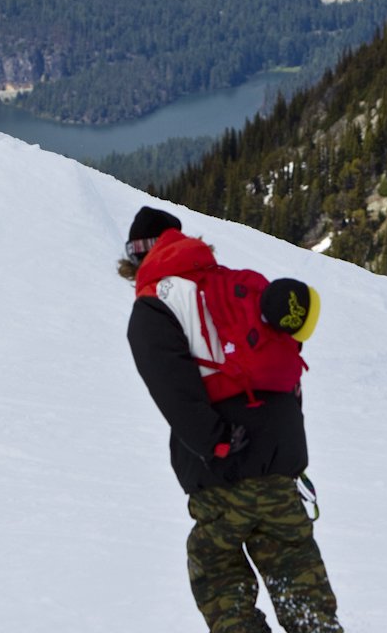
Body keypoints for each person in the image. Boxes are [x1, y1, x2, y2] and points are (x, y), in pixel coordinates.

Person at [120, 205, 342, 633]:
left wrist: (215, 441)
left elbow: (173, 388)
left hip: (224, 464)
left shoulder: (155, 305)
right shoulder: (232, 285)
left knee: (218, 575)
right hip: (280, 461)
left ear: (138, 259)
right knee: (299, 579)